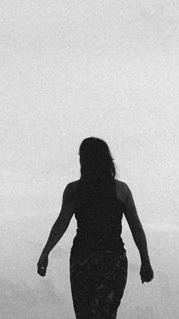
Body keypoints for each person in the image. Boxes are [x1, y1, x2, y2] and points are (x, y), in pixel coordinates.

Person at [36, 136, 152, 319]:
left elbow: (61, 223)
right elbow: (136, 228)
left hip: (84, 261)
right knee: (106, 313)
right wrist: (145, 261)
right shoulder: (121, 191)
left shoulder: (74, 190)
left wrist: (45, 253)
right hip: (111, 260)